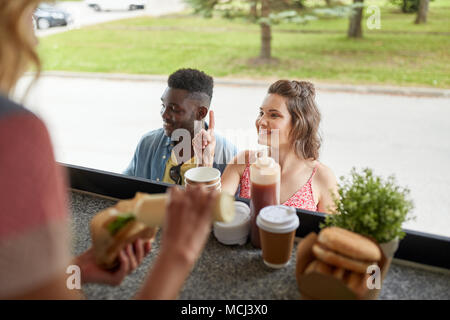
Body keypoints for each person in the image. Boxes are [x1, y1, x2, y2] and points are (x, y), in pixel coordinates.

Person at [0, 0, 217, 300]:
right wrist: (178, 254)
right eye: (31, 15)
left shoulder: (219, 151)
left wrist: (79, 269)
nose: (35, 39)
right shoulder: (14, 134)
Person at [195, 80, 339, 213]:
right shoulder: (244, 162)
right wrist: (205, 164)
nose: (261, 121)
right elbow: (211, 212)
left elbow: (332, 235)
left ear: (299, 124)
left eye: (274, 115)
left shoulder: (322, 177)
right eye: (261, 113)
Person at [124, 68, 237, 185]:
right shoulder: (148, 143)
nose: (164, 114)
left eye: (174, 109)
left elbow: (232, 203)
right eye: (163, 105)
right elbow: (122, 188)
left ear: (201, 113)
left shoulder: (228, 156)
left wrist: (205, 171)